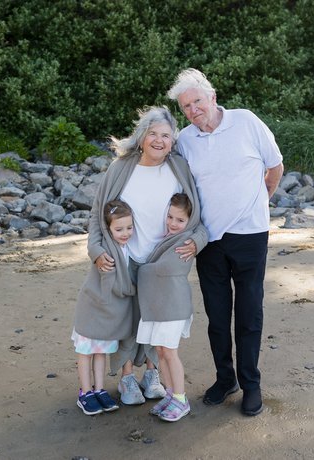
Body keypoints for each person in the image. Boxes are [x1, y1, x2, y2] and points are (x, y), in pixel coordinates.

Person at [167, 68, 284, 416]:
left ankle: (251, 384)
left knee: (249, 314)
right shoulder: (186, 140)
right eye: (186, 106)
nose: (193, 110)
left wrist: (262, 199)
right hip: (210, 241)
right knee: (217, 317)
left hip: (250, 236)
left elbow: (274, 166)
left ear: (212, 97)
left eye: (197, 101)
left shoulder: (246, 122)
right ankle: (225, 378)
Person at [89, 106, 208, 407]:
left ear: (172, 141)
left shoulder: (179, 168)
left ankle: (152, 375)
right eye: (152, 134)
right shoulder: (121, 168)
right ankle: (128, 377)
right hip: (125, 258)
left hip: (163, 261)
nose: (159, 140)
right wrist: (96, 249)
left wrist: (198, 240)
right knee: (128, 321)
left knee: (158, 319)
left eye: (165, 136)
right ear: (141, 137)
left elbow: (199, 213)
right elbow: (97, 213)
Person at [137, 193, 198, 422]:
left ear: (189, 222)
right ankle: (171, 395)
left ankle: (181, 400)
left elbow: (164, 268)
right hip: (158, 304)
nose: (173, 223)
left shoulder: (186, 241)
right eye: (170, 217)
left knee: (170, 352)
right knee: (160, 351)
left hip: (174, 305)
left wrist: (141, 270)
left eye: (179, 220)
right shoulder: (167, 238)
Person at [71, 200, 135, 415]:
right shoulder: (104, 251)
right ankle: (85, 392)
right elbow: (111, 284)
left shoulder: (127, 249)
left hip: (108, 313)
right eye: (119, 229)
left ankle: (99, 389)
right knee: (86, 351)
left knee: (101, 351)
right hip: (92, 308)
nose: (125, 233)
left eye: (129, 228)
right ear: (108, 229)